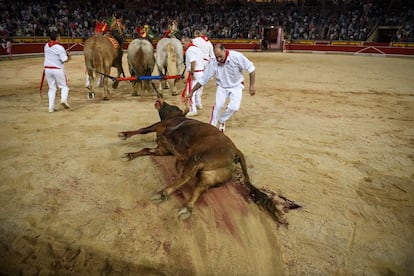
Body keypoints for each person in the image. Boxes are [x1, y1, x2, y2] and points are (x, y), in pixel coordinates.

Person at [187, 44, 256, 132]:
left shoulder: (236, 56)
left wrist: (252, 85)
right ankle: (211, 127)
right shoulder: (213, 62)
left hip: (236, 86)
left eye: (220, 56)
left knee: (234, 108)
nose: (219, 59)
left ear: (224, 51)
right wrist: (192, 91)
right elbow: (203, 79)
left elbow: (251, 69)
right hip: (222, 87)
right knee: (218, 106)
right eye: (216, 57)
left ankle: (222, 120)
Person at [43, 31, 70, 113]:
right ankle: (63, 100)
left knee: (52, 88)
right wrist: (68, 56)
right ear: (57, 37)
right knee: (64, 86)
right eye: (60, 37)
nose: (60, 38)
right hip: (57, 69)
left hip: (47, 69)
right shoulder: (60, 47)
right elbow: (64, 59)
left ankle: (51, 107)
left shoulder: (46, 46)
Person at [181, 36, 204, 117]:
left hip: (195, 72)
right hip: (201, 72)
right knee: (198, 89)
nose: (182, 45)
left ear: (187, 42)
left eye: (183, 43)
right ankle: (198, 104)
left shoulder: (190, 50)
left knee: (190, 91)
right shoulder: (197, 48)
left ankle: (192, 109)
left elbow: (193, 62)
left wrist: (191, 73)